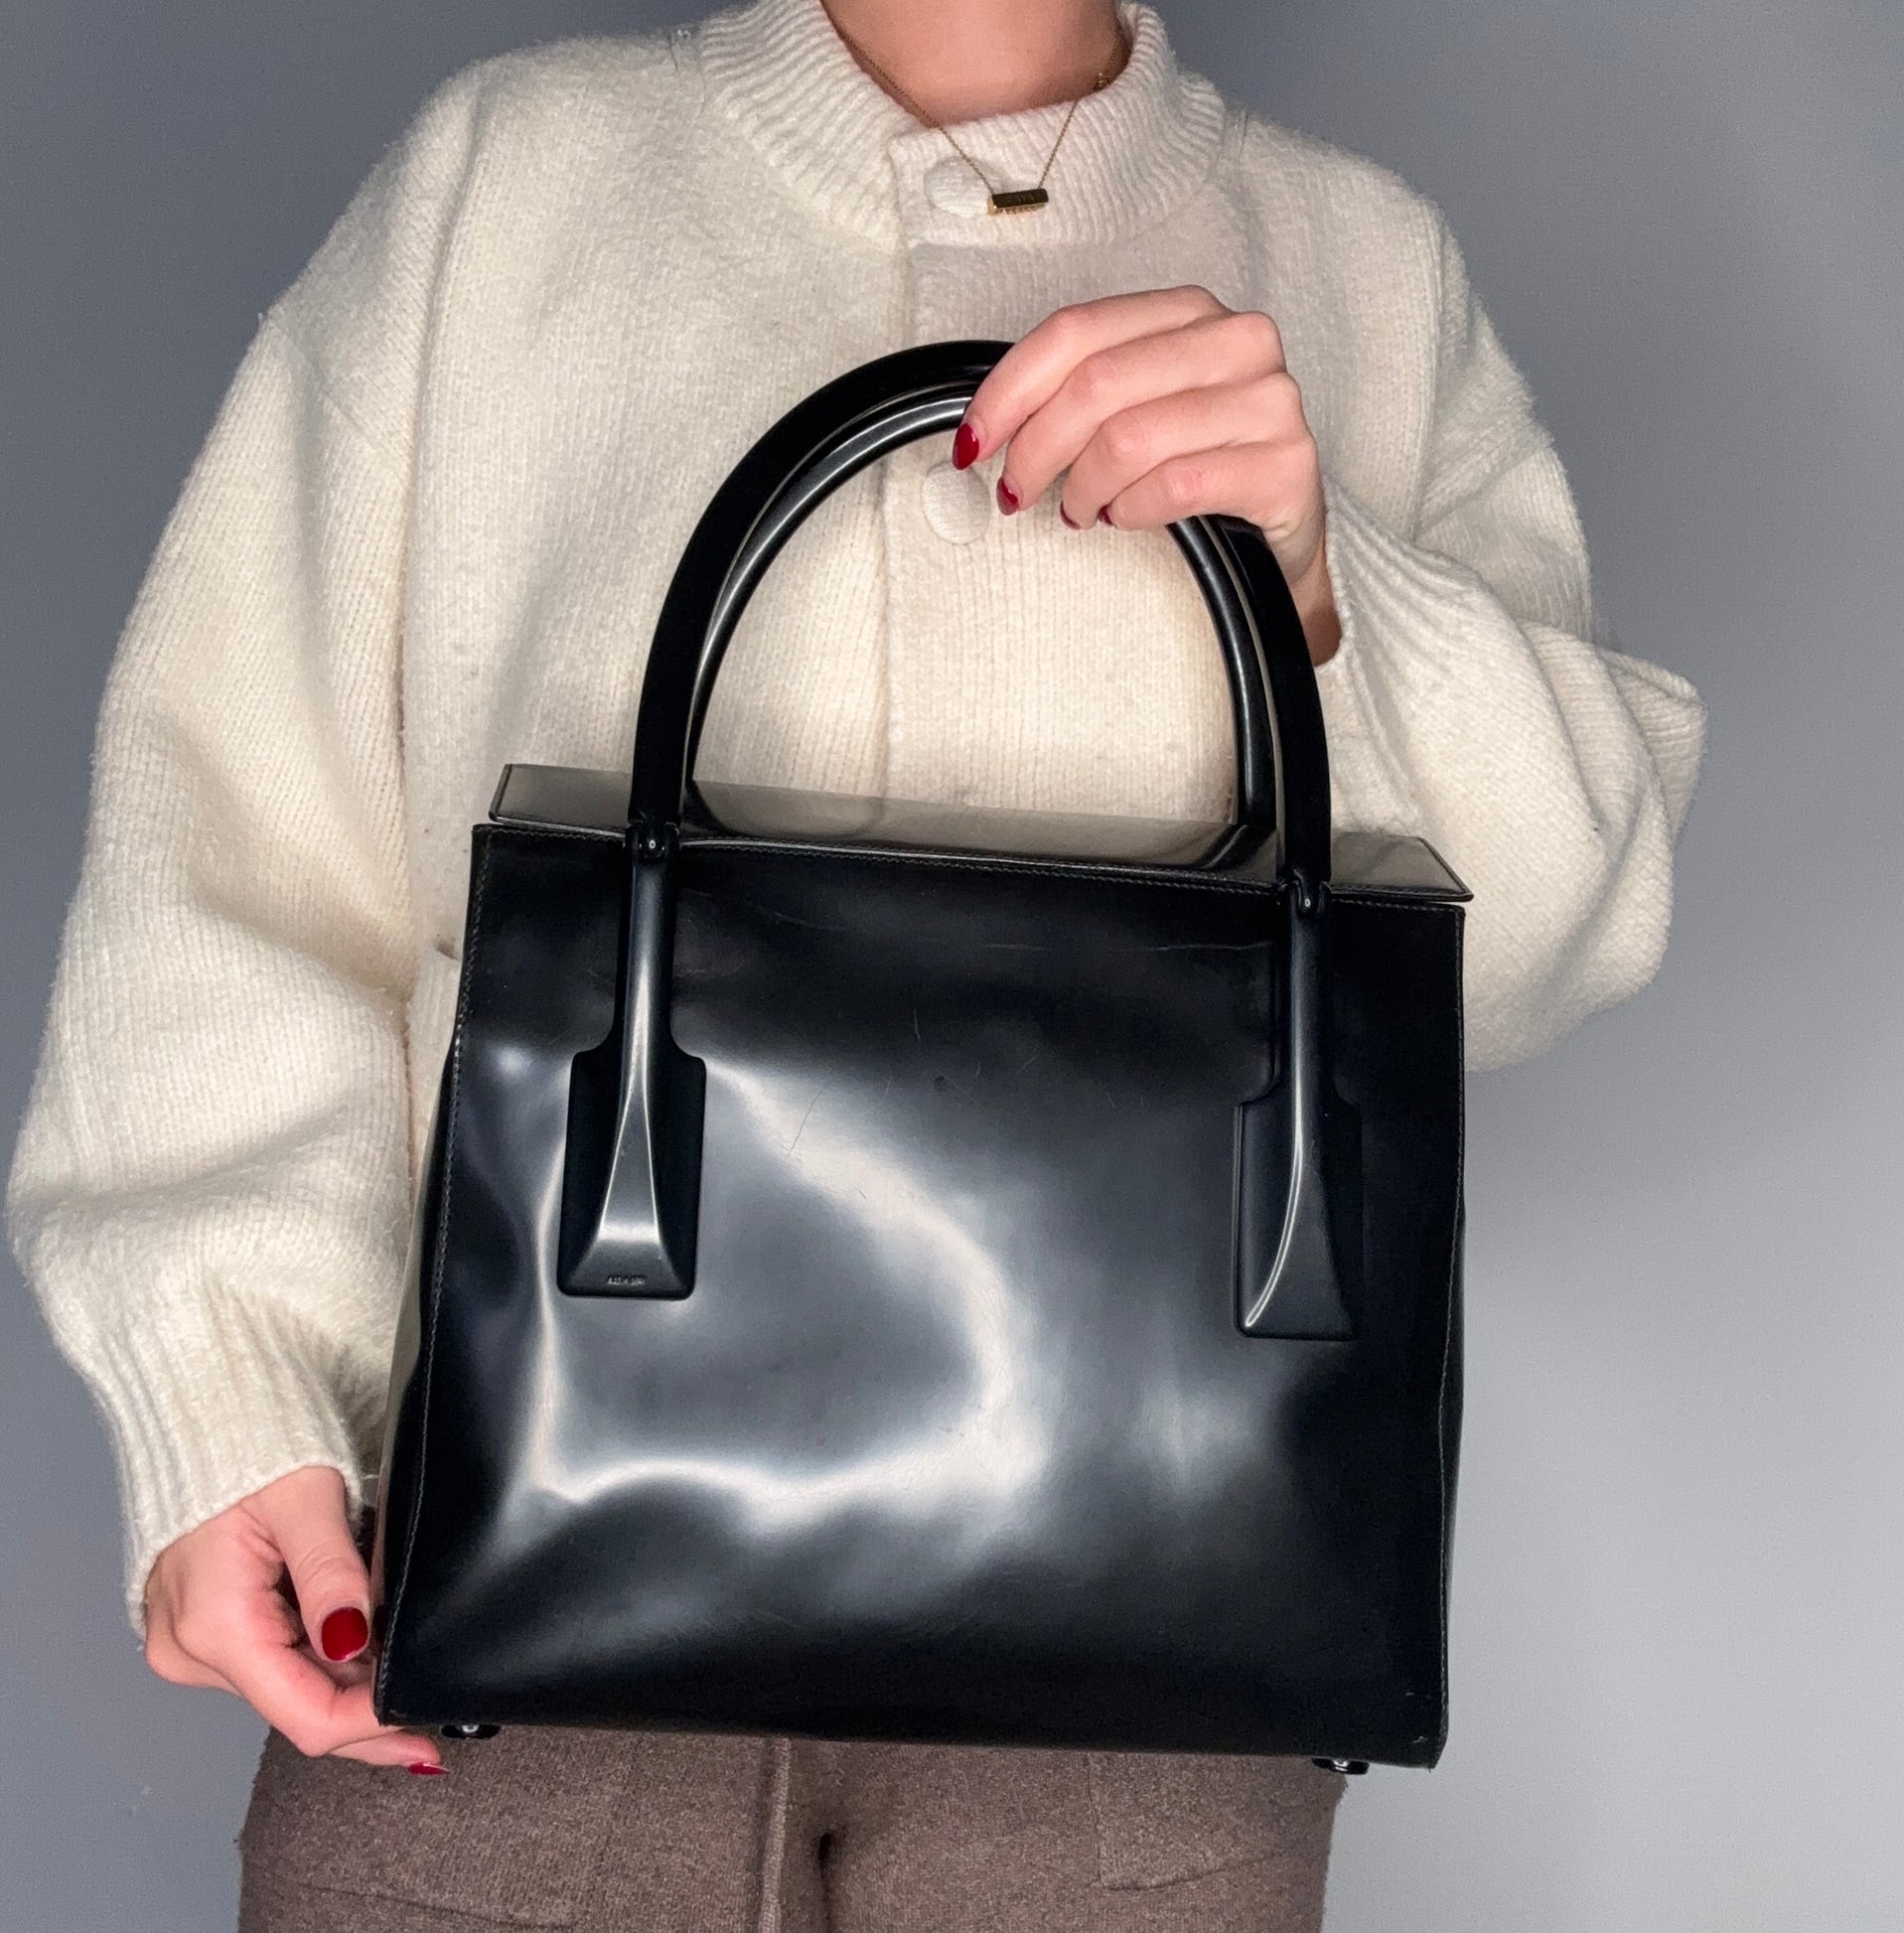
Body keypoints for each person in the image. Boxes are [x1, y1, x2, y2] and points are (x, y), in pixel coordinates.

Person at [5, 0, 1706, 1925]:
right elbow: (242, 824)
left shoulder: (1362, 262)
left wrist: (1327, 586)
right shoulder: (514, 180)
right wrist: (228, 1388)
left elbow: (1557, 924)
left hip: (1152, 1686)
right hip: (505, 1596)